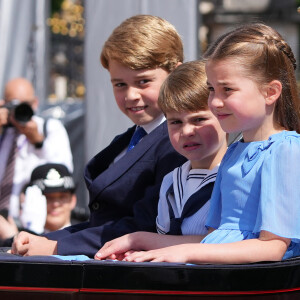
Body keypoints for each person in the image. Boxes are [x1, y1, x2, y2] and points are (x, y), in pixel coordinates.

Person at [95, 23, 300, 264]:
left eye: (227, 90)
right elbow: (213, 239)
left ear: (270, 92)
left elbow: (273, 246)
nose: (215, 101)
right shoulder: (235, 151)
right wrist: (139, 241)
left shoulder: (286, 150)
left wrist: (184, 253)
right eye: (212, 89)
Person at [10, 15, 187, 257]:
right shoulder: (132, 138)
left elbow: (147, 224)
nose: (131, 95)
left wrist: (55, 247)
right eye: (119, 84)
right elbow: (101, 224)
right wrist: (40, 240)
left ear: (175, 75)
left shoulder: (180, 142)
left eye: (143, 82)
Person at [94, 60, 228, 261]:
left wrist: (141, 240)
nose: (187, 131)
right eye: (175, 122)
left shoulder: (237, 176)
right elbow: (167, 241)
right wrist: (139, 252)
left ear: (225, 116)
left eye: (199, 119)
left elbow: (226, 245)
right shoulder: (172, 181)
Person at [0, 78, 73, 218]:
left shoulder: (49, 128)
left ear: (35, 103)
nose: (18, 111)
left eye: (25, 105)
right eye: (13, 105)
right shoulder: (3, 132)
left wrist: (39, 142)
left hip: (35, 223)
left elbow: (64, 172)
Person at [0, 163, 77, 246]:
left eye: (62, 197)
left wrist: (13, 238)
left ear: (73, 200)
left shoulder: (84, 234)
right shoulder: (13, 235)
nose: (55, 204)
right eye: (48, 198)